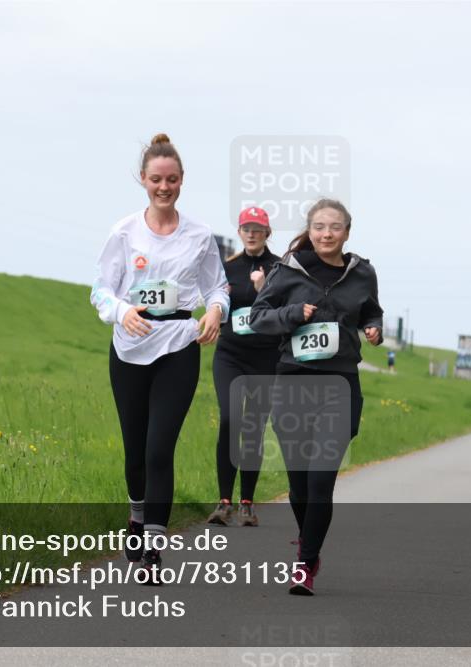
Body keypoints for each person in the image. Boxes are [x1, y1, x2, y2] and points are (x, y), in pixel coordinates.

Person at [90, 134, 229, 583]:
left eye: (171, 180)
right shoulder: (124, 232)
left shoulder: (201, 236)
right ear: (143, 180)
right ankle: (136, 514)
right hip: (130, 347)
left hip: (178, 345)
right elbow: (100, 291)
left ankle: (152, 548)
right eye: (156, 180)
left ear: (182, 181)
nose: (163, 187)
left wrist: (214, 311)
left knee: (159, 448)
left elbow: (218, 287)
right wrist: (122, 311)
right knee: (134, 450)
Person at [249, 198, 383, 595]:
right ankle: (309, 539)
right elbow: (258, 318)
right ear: (310, 230)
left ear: (347, 232)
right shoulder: (288, 270)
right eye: (320, 227)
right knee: (299, 486)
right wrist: (293, 315)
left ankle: (305, 564)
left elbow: (371, 311)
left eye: (335, 227)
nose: (327, 234)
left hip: (339, 384)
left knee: (321, 480)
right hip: (294, 381)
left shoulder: (362, 272)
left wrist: (373, 328)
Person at [207, 207, 281, 528]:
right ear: (239, 232)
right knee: (230, 418)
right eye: (246, 228)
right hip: (231, 354)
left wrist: (265, 288)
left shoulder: (280, 268)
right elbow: (216, 303)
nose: (251, 233)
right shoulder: (227, 269)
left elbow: (286, 312)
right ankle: (224, 501)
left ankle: (247, 503)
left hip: (265, 357)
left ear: (267, 233)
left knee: (253, 427)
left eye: (258, 228)